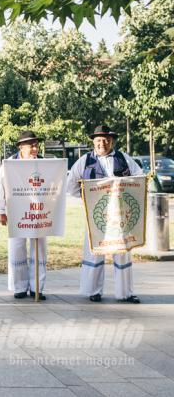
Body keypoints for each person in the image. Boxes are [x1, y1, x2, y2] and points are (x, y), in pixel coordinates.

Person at [66, 124, 144, 304]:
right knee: (95, 250)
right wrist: (87, 198)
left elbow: (139, 177)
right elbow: (71, 184)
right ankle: (93, 291)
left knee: (123, 250)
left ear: (112, 140)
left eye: (107, 139)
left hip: (120, 213)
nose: (103, 143)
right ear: (94, 141)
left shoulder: (123, 158)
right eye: (99, 140)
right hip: (96, 215)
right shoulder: (84, 161)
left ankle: (125, 293)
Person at [0, 130, 48, 300]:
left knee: (39, 249)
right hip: (16, 212)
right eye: (31, 145)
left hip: (38, 212)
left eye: (36, 145)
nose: (34, 148)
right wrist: (1, 211)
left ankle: (37, 287)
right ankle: (19, 287)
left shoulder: (44, 164)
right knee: (17, 248)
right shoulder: (9, 165)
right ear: (21, 147)